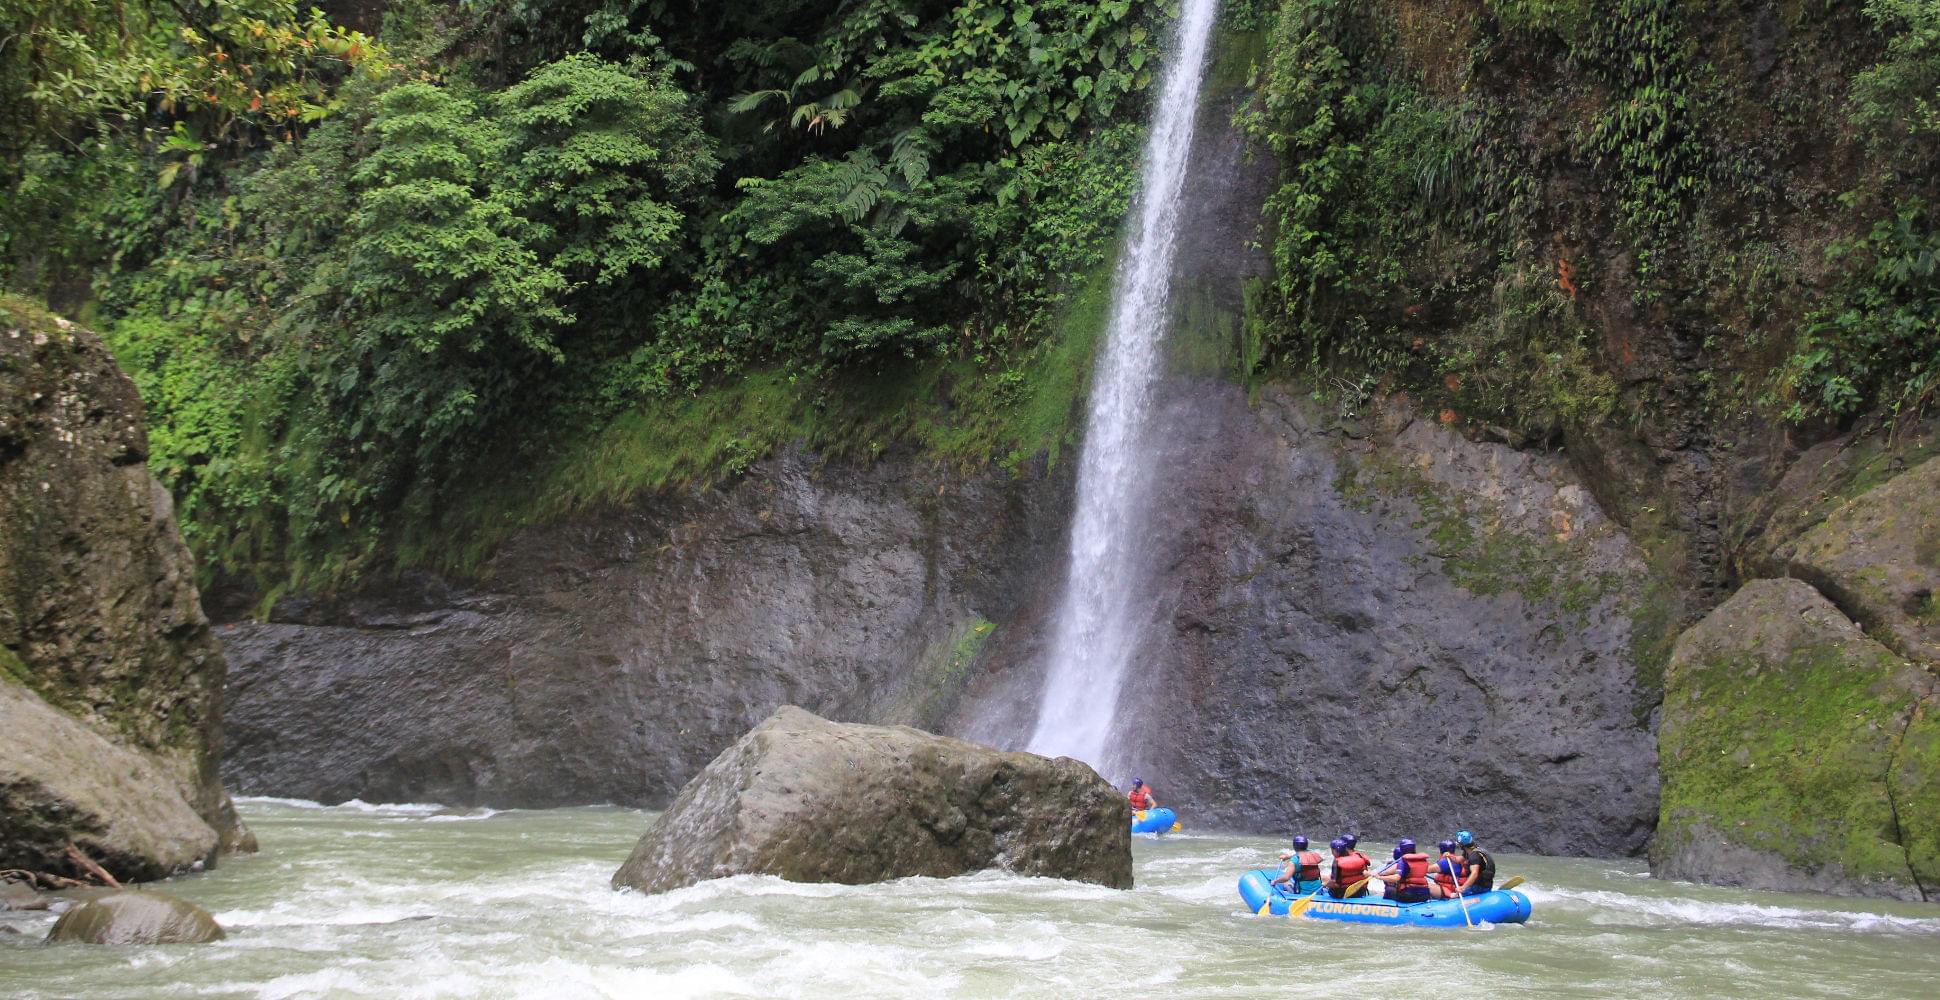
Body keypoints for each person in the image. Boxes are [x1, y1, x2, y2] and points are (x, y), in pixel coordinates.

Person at [1371, 838, 1434, 904]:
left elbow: (1396, 878)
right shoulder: (1423, 860)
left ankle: (1385, 907)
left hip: (1409, 895)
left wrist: (1379, 877)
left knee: (1389, 890)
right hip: (1425, 895)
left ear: (1402, 849)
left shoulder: (1403, 861)